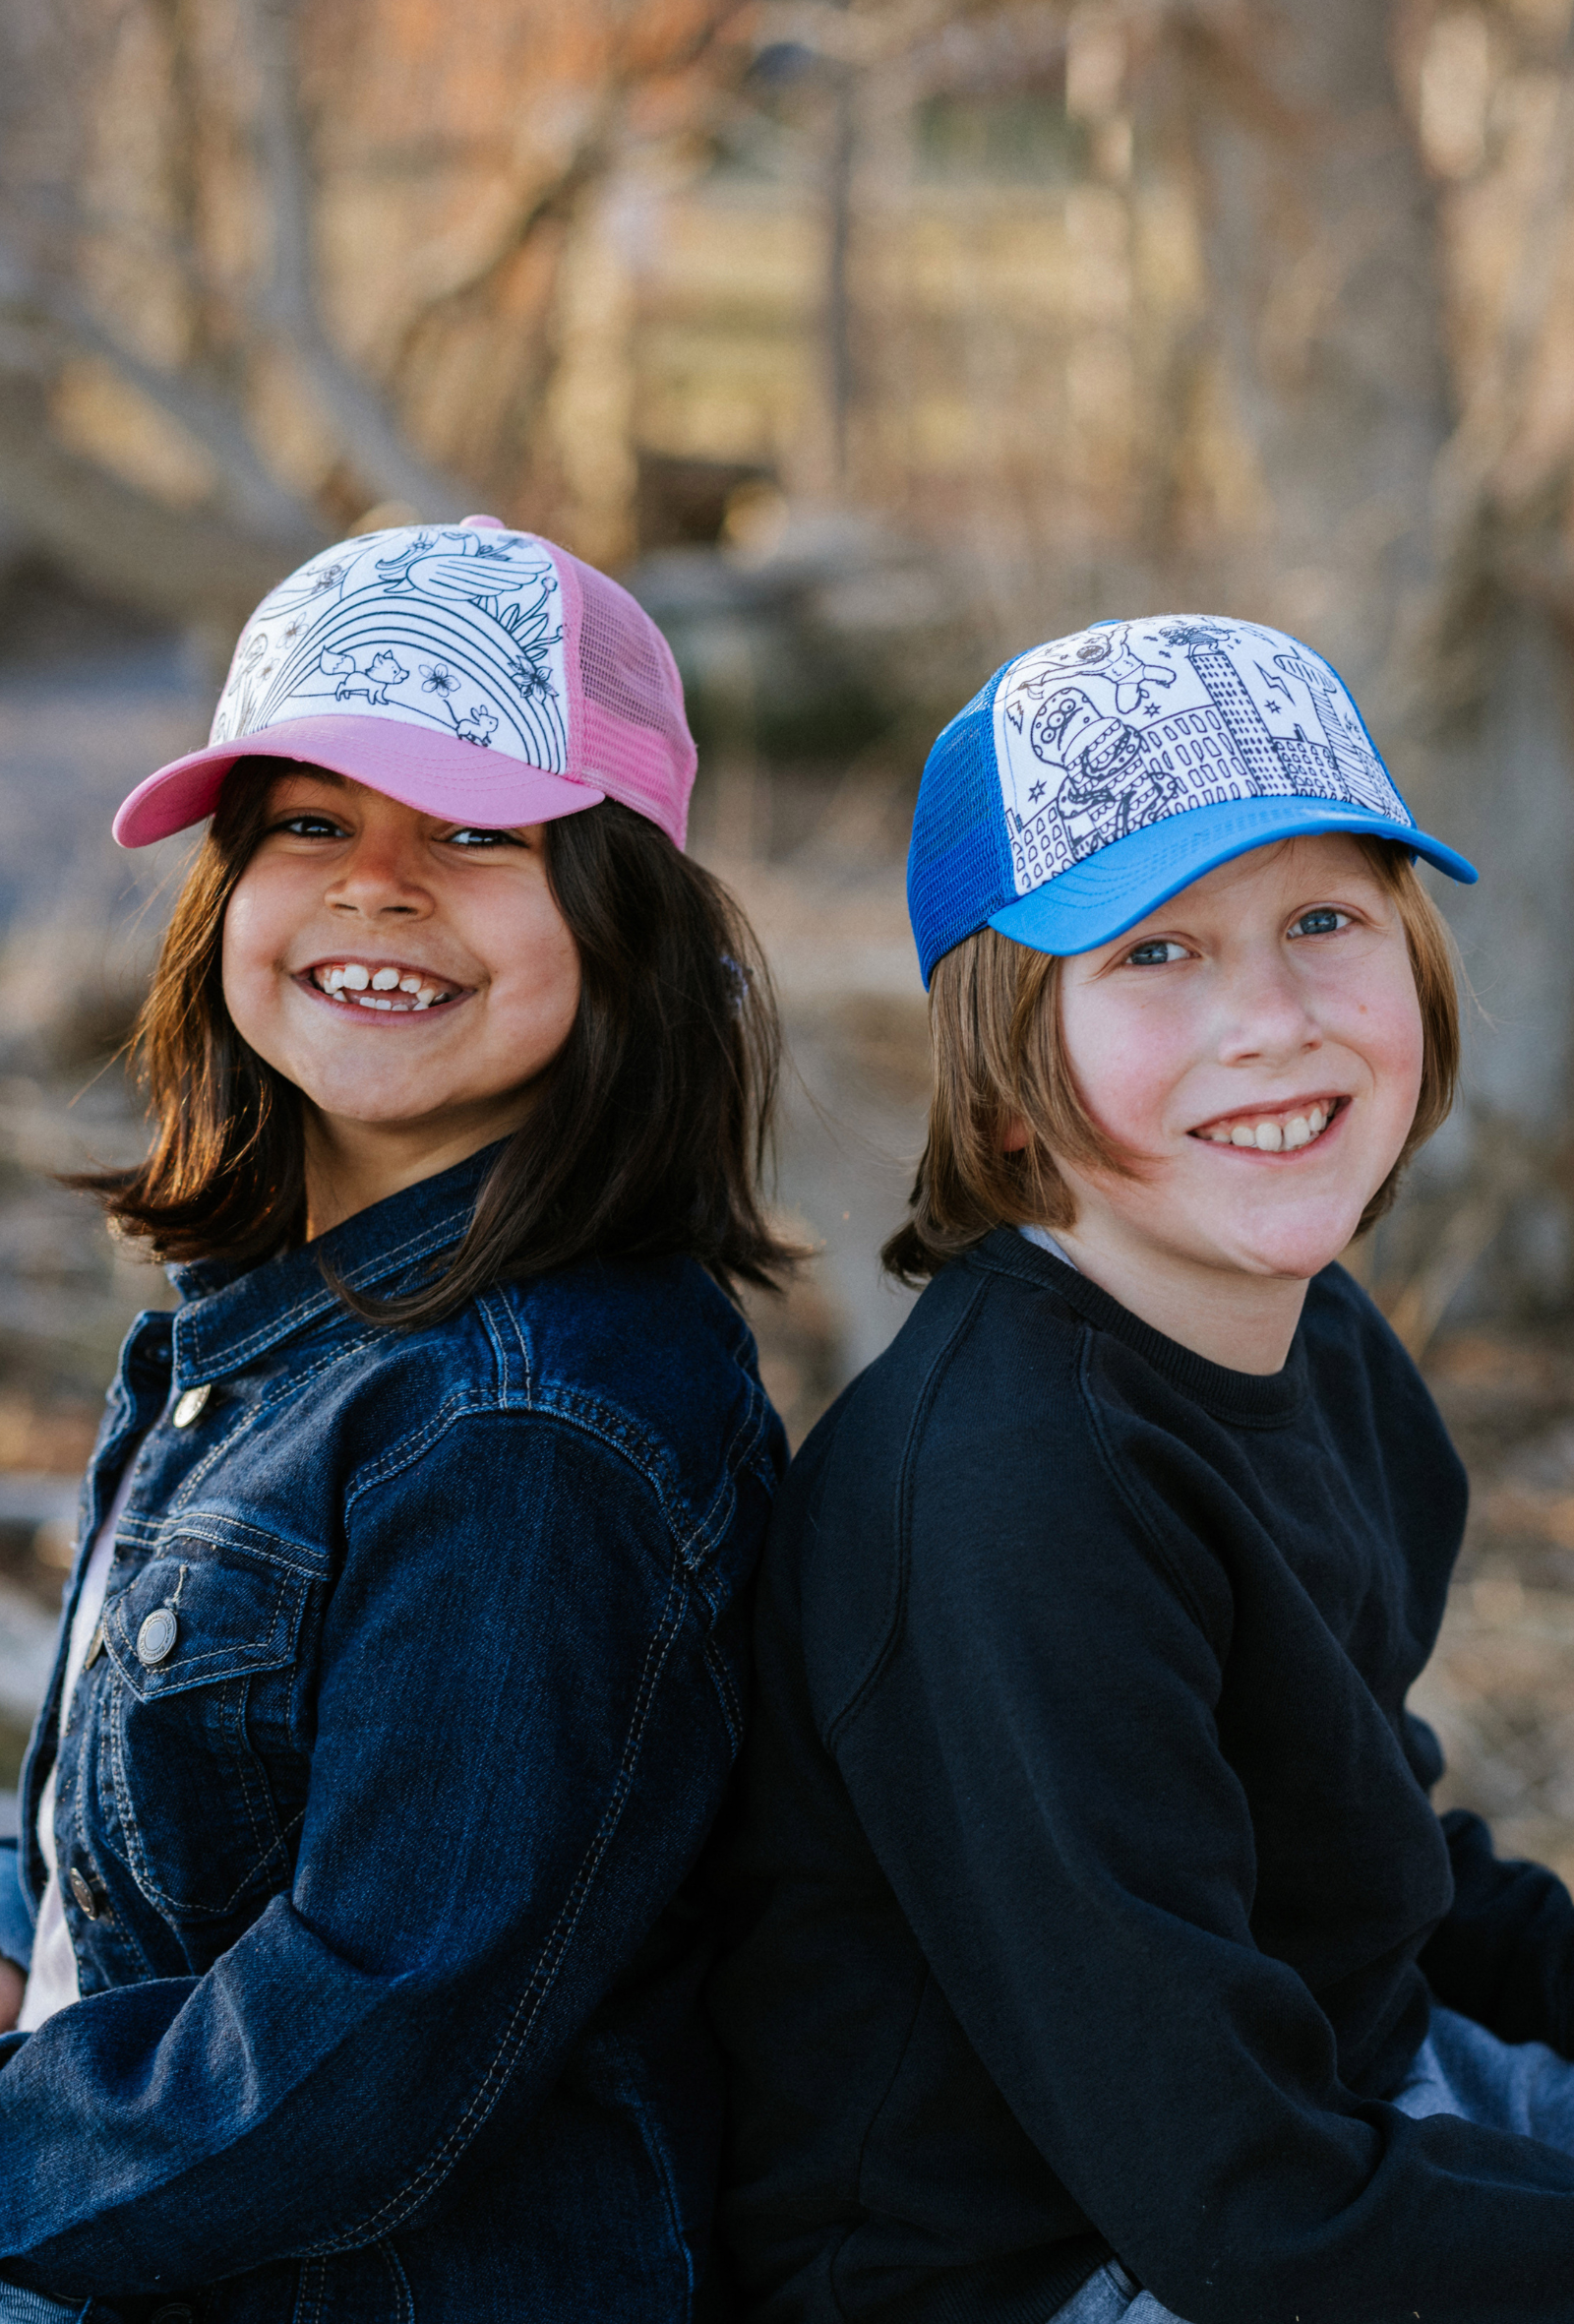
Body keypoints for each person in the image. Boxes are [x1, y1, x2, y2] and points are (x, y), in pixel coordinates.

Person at [711, 612, 1574, 2323]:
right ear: (1009, 1073)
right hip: (1059, 2266)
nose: (1268, 1021)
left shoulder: (1315, 1339)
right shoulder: (1013, 1499)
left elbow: (1371, 1854)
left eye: (1324, 920)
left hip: (1329, 2106)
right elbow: (1243, 2214)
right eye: (1154, 954)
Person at [0, 517, 790, 2322]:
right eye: (310, 823)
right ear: (226, 895)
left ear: (621, 912)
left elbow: (371, 2040)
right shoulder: (284, 1332)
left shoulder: (533, 1431)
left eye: (475, 832)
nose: (378, 885)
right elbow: (120, 1851)